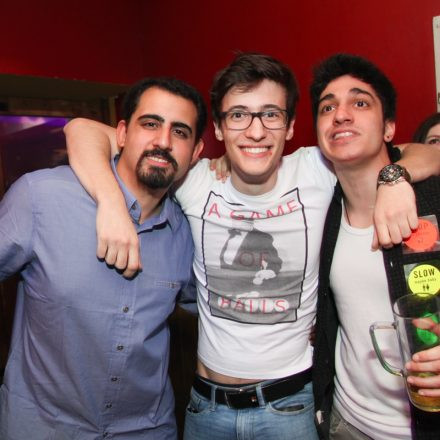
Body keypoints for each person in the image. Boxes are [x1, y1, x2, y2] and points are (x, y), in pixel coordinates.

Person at [64, 52, 440, 440]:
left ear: (290, 127)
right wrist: (111, 203)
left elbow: (424, 151)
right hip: (206, 407)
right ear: (219, 129)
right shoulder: (195, 179)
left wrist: (394, 176)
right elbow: (82, 130)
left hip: (291, 407)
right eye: (239, 115)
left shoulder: (319, 168)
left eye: (270, 115)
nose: (256, 131)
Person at [0, 76, 206, 439]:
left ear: (196, 151)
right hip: (43, 427)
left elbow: (209, 307)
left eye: (180, 131)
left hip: (146, 429)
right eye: (150, 124)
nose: (163, 141)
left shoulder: (188, 232)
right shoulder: (41, 197)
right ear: (121, 133)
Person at [311, 53, 440, 440]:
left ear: (389, 128)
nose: (341, 115)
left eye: (360, 103)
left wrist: (395, 175)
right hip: (345, 423)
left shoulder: (432, 199)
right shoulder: (322, 206)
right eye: (327, 107)